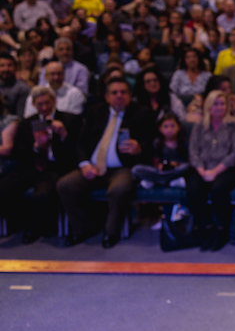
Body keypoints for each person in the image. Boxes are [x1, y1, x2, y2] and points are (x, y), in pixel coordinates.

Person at [56, 77, 153, 248]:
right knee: (65, 185)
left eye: (123, 92)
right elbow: (81, 142)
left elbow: (151, 144)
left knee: (119, 189)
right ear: (107, 97)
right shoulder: (95, 112)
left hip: (121, 168)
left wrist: (139, 148)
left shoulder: (141, 113)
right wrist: (84, 164)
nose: (119, 96)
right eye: (114, 93)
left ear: (130, 95)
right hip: (92, 166)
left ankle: (111, 232)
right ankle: (84, 228)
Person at [1, 86, 78, 243]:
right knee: (4, 187)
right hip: (32, 166)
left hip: (56, 167)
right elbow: (20, 152)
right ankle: (17, 222)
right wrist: (36, 146)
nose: (44, 108)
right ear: (35, 104)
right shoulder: (28, 123)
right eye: (40, 104)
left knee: (42, 194)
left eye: (47, 103)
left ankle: (36, 228)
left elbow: (75, 154)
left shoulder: (70, 120)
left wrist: (63, 135)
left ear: (54, 101)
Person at [187, 90, 235, 252]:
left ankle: (221, 230)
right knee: (193, 188)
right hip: (203, 167)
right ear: (208, 106)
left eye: (222, 104)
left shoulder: (234, 125)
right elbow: (193, 151)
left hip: (229, 168)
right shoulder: (200, 125)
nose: (219, 107)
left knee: (218, 189)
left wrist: (214, 172)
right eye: (215, 103)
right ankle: (207, 228)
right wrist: (201, 170)